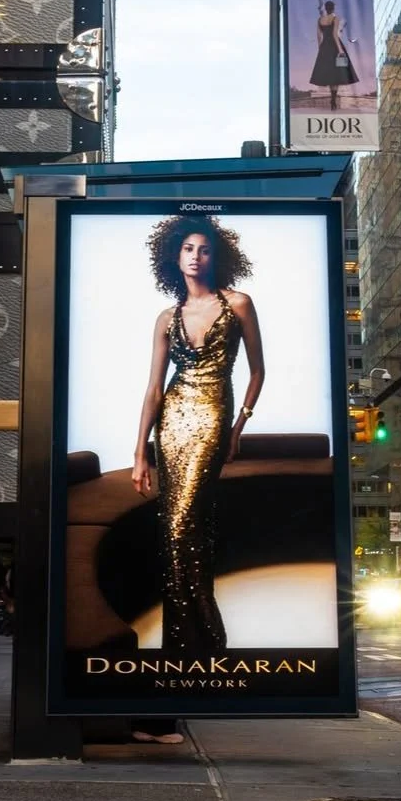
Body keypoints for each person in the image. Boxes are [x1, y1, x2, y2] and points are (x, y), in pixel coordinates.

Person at [132, 215, 265, 653]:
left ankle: (204, 632)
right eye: (188, 249)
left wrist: (238, 424)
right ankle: (189, 639)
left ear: (216, 255)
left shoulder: (239, 304)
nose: (195, 256)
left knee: (183, 522)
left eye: (204, 249)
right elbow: (153, 388)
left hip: (213, 415)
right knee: (181, 526)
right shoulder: (166, 318)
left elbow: (258, 370)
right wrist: (139, 453)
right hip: (171, 421)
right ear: (175, 256)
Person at [308, 0, 357, 110]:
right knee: (337, 73)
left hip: (324, 47)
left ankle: (332, 99)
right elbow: (335, 34)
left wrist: (320, 49)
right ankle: (333, 99)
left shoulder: (320, 19)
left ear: (326, 8)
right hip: (335, 46)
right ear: (333, 8)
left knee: (330, 73)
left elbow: (319, 36)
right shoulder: (335, 18)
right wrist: (340, 50)